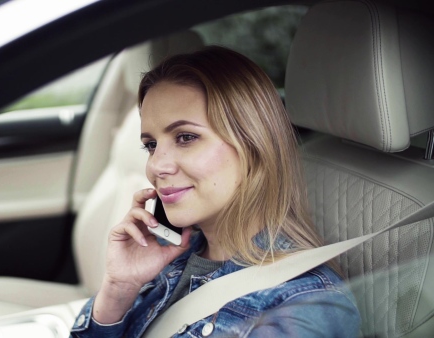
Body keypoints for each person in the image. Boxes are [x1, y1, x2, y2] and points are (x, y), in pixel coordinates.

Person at [70, 46, 360, 337]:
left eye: (186, 137)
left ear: (253, 146)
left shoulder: (299, 307)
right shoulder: (170, 260)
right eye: (151, 145)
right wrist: (119, 289)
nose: (156, 166)